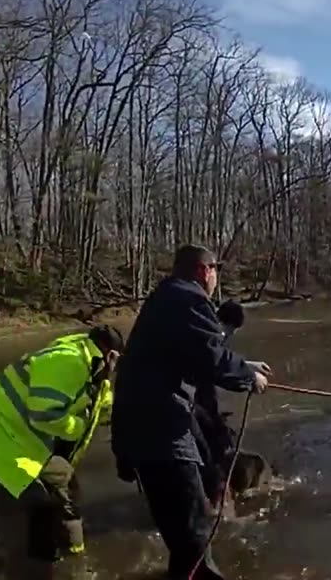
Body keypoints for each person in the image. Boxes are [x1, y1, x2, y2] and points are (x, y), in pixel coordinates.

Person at [111, 245, 271, 580]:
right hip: (163, 435)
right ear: (204, 270)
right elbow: (212, 358)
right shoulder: (189, 299)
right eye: (216, 269)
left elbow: (194, 358)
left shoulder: (165, 299)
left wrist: (244, 365)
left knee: (184, 541)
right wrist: (248, 378)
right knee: (195, 535)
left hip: (141, 434)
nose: (217, 276)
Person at [0, 325, 124, 580]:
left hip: (19, 441)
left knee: (65, 486)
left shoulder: (95, 372)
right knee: (33, 526)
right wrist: (79, 427)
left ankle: (73, 559)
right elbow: (44, 415)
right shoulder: (69, 361)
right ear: (112, 356)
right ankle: (35, 568)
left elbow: (104, 409)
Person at [191, 300, 247, 509]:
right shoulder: (210, 333)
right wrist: (249, 378)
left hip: (191, 401)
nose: (229, 335)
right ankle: (219, 503)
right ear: (227, 324)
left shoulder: (198, 327)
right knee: (216, 450)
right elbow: (215, 366)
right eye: (231, 330)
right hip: (192, 404)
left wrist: (247, 367)